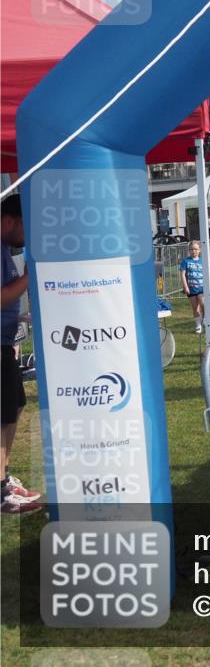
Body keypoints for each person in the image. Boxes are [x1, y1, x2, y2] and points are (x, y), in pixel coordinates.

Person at [1, 196, 40, 514]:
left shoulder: (4, 249)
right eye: (27, 225)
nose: (28, 236)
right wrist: (30, 278)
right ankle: (1, 491)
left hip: (4, 342)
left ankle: (3, 476)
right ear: (10, 220)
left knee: (13, 408)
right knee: (4, 416)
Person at [179, 241, 205, 334]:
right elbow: (182, 274)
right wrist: (185, 286)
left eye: (196, 249)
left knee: (203, 304)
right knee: (195, 307)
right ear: (189, 250)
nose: (194, 251)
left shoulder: (203, 261)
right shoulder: (186, 261)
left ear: (199, 250)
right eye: (191, 249)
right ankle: (198, 324)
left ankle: (204, 319)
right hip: (191, 288)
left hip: (202, 288)